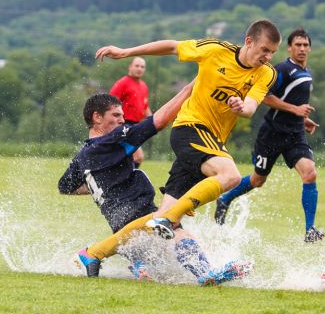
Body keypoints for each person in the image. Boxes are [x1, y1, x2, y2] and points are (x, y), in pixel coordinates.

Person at [75, 19, 281, 278]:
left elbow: (251, 108)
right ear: (249, 41)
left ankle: (93, 253)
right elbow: (172, 47)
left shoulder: (267, 73)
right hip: (190, 129)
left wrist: (241, 107)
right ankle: (169, 222)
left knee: (164, 217)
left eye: (272, 52)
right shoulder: (216, 50)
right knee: (229, 175)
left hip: (212, 141)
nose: (268, 56)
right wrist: (127, 52)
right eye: (264, 49)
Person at [62, 88, 249, 285]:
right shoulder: (112, 140)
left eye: (122, 116)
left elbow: (65, 186)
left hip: (117, 220)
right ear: (97, 117)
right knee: (175, 229)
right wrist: (190, 88)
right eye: (116, 115)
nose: (121, 120)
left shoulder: (82, 155)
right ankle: (205, 273)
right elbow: (158, 121)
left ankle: (140, 267)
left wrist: (99, 189)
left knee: (153, 253)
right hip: (138, 211)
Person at [214, 28, 324, 243]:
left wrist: (302, 119)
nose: (302, 49)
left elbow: (293, 102)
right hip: (271, 134)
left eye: (305, 45)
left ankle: (310, 230)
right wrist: (294, 110)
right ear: (289, 48)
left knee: (310, 174)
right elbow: (265, 96)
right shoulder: (282, 69)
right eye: (297, 45)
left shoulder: (307, 72)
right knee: (257, 180)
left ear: (309, 48)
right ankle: (225, 199)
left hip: (295, 135)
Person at [109, 57, 152, 167]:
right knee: (138, 157)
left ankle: (122, 180)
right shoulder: (122, 83)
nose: (139, 69)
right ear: (130, 66)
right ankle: (125, 180)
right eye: (137, 66)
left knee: (129, 157)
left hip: (136, 125)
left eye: (142, 67)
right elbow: (109, 104)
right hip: (123, 124)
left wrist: (155, 122)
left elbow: (145, 107)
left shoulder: (144, 86)